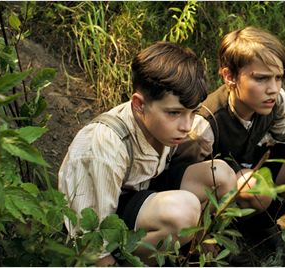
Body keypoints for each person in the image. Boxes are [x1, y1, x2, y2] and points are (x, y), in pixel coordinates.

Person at [58, 41, 237, 266]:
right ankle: (135, 261)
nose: (186, 125)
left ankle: (198, 254)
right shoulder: (102, 147)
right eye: (174, 113)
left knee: (220, 174)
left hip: (141, 194)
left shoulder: (162, 126)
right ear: (139, 104)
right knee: (184, 211)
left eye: (192, 113)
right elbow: (89, 243)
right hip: (102, 225)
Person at [174, 26, 285, 250]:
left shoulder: (275, 99)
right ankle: (216, 239)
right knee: (253, 187)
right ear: (229, 76)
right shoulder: (204, 124)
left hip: (250, 168)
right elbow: (184, 187)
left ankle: (259, 226)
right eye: (261, 79)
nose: (273, 88)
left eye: (278, 77)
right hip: (217, 194)